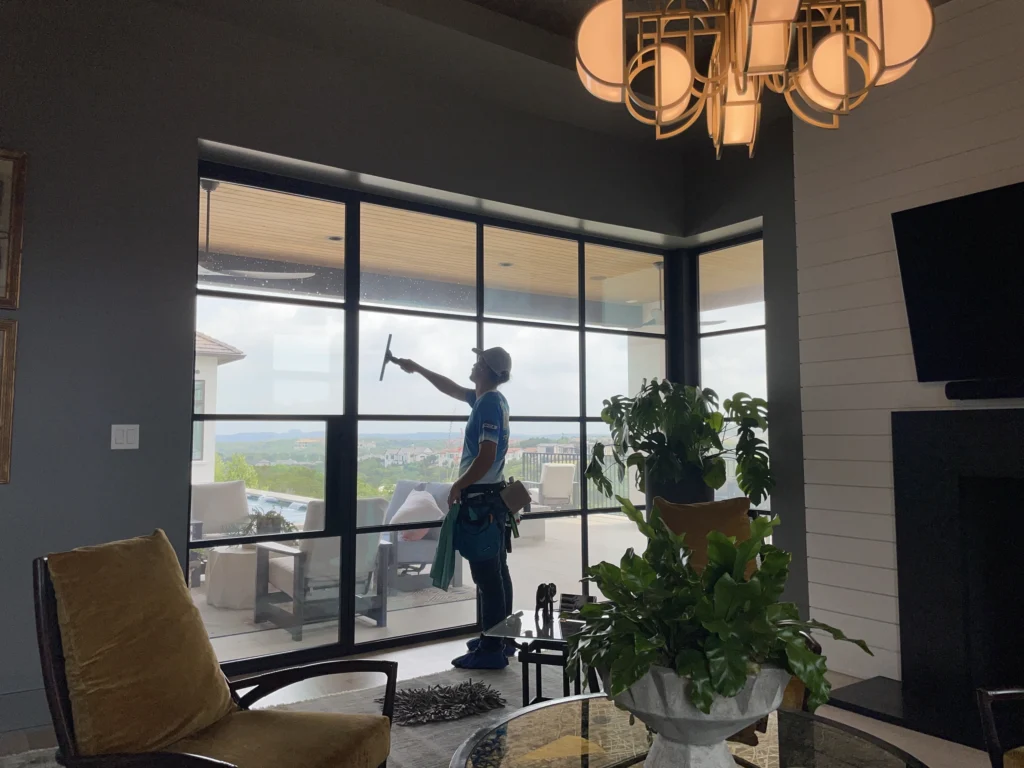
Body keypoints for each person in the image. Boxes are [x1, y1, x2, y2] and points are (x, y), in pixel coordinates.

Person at [395, 347, 515, 670]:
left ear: (488, 371)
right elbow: (449, 386)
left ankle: (492, 649)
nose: (473, 364)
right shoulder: (489, 399)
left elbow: (486, 456)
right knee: (497, 570)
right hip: (492, 498)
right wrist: (417, 366)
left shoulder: (488, 403)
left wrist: (459, 484)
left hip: (480, 499)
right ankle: (502, 638)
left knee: (487, 576)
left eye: (479, 362)